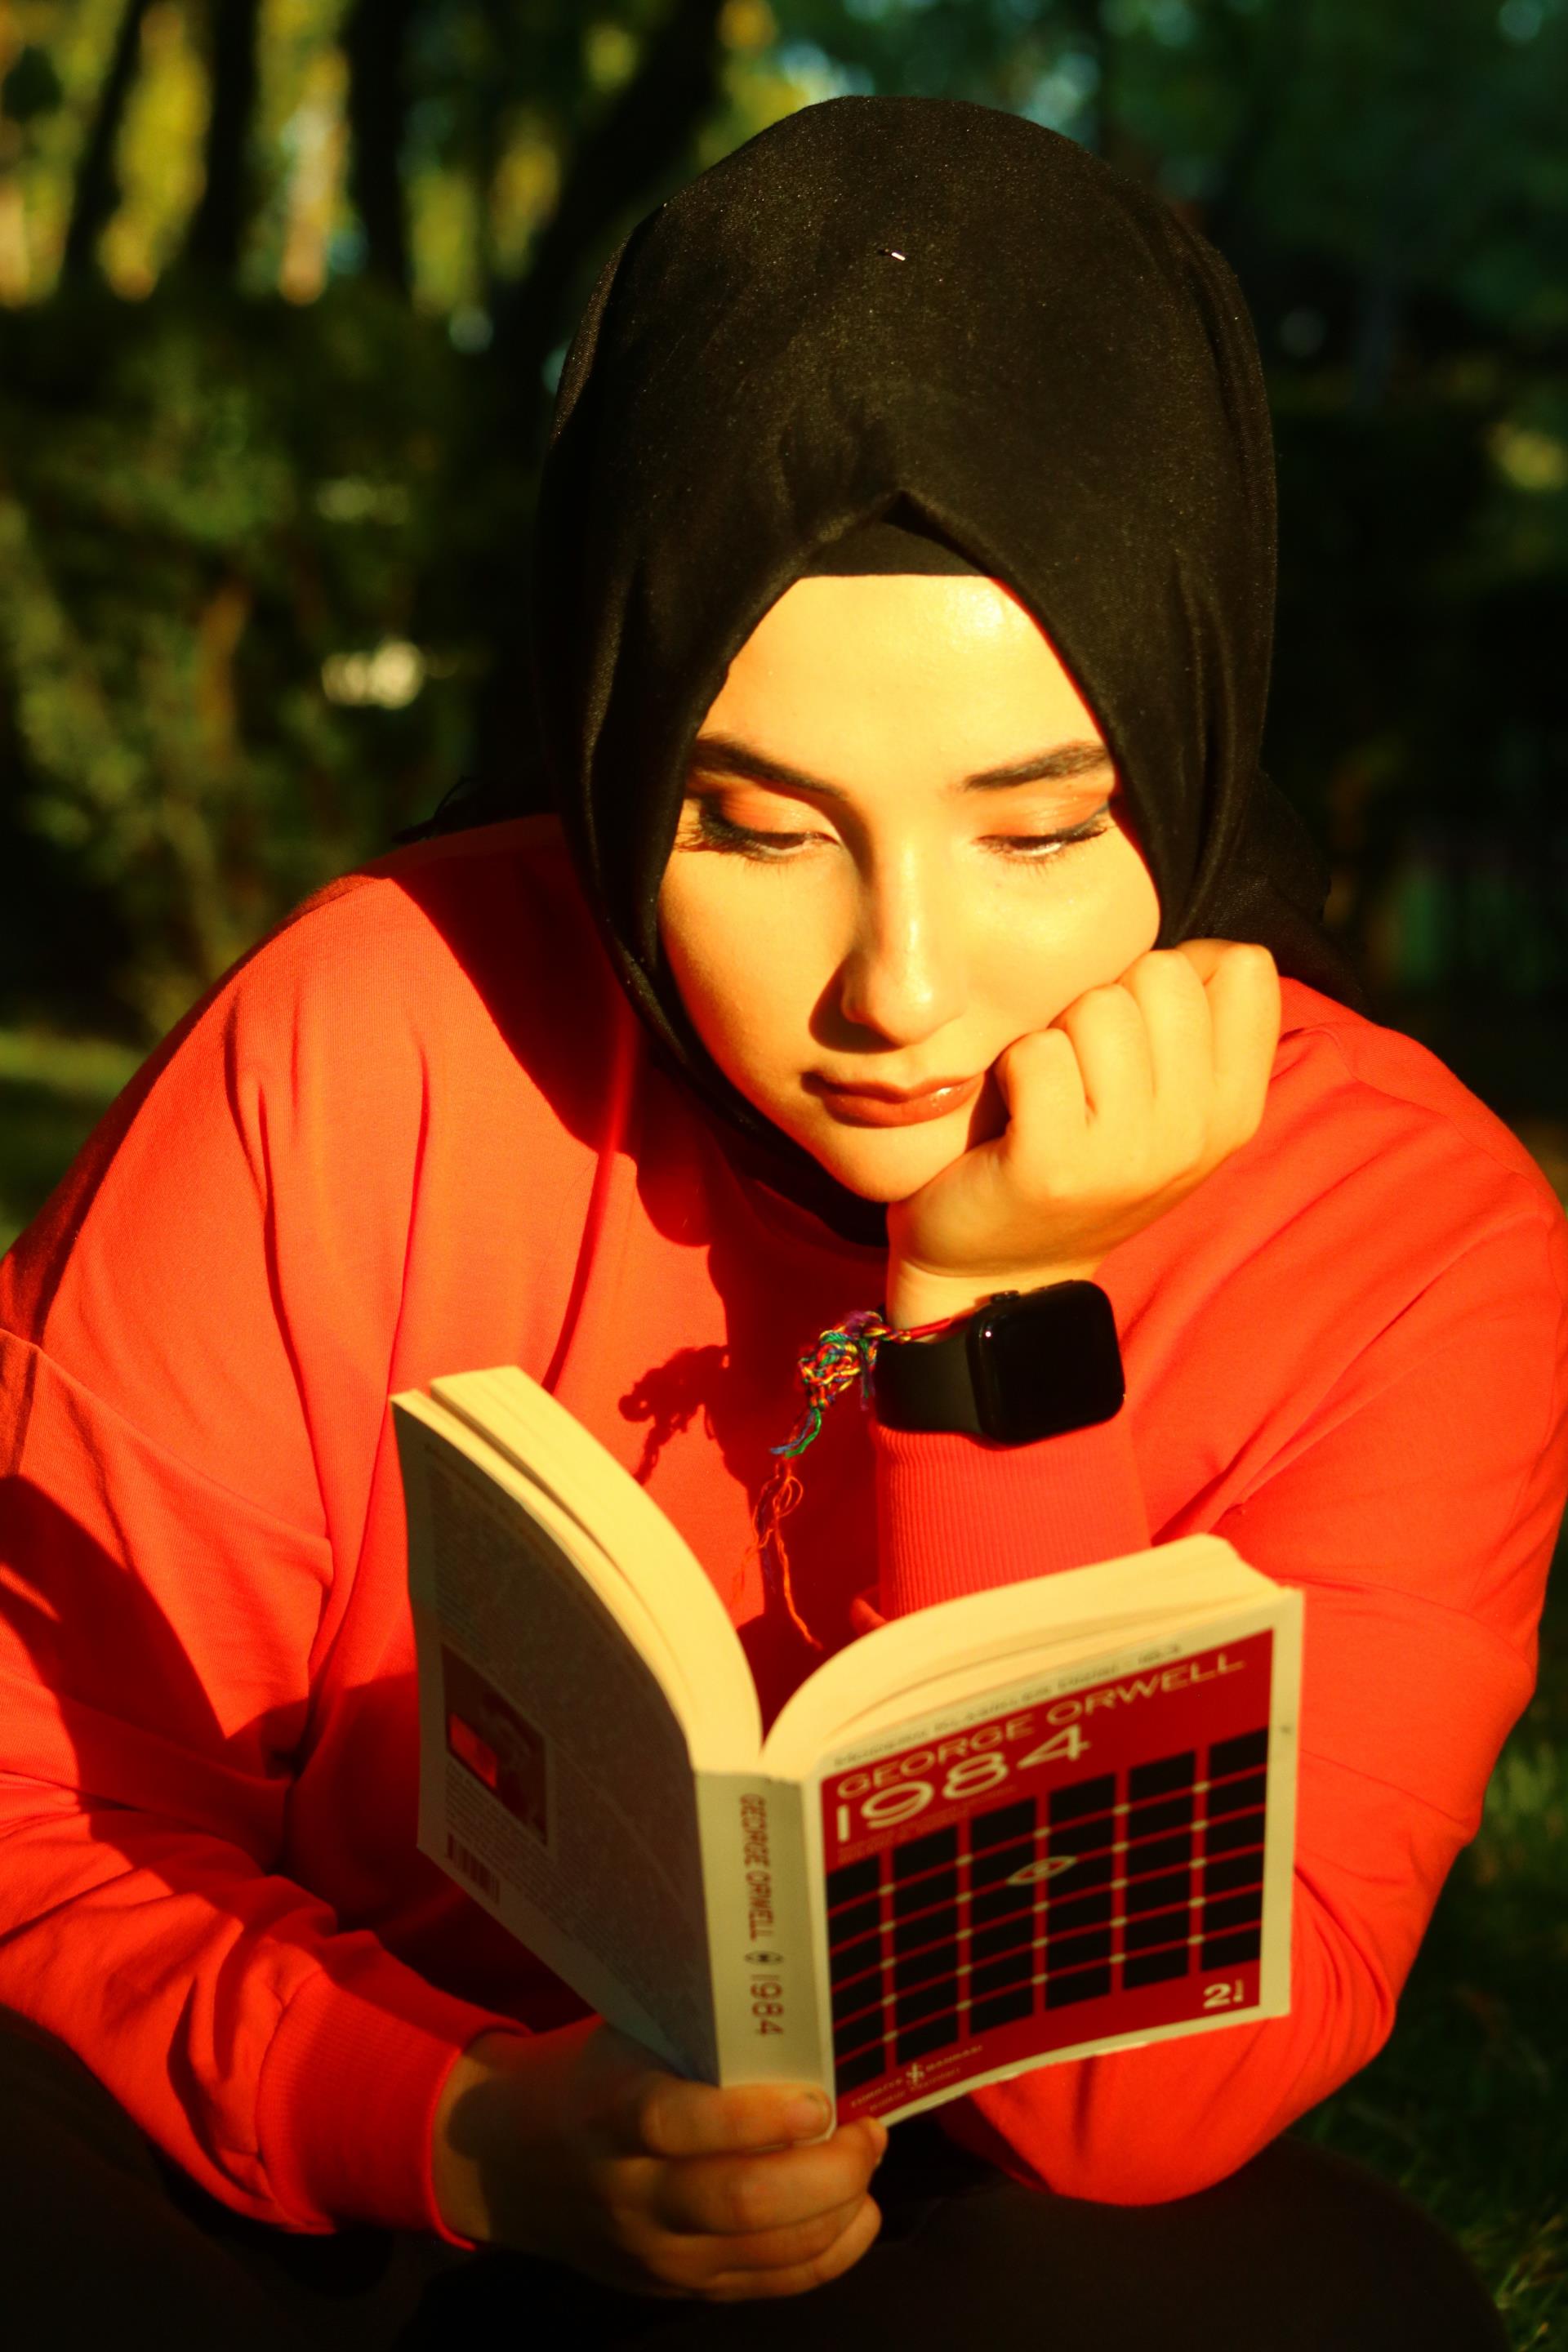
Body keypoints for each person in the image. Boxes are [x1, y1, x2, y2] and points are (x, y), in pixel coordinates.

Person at [0, 94, 1561, 2352]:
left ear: (1198, 738)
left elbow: (1150, 2102)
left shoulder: (1410, 1237)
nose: (899, 989)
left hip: (910, 2246)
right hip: (321, 2176)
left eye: (1038, 833)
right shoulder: (373, 1032)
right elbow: (42, 1782)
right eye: (755, 829)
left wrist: (999, 1324)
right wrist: (449, 2124)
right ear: (622, 753)